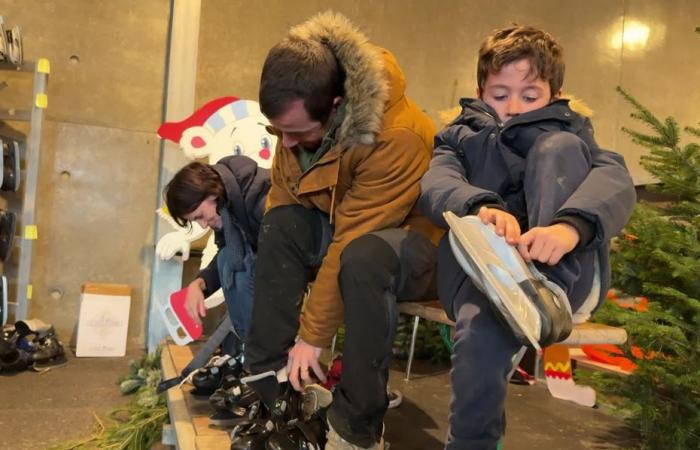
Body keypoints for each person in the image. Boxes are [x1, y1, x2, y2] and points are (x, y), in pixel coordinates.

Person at [419, 25, 636, 449]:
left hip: (562, 278)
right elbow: (437, 183)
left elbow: (615, 180)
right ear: (481, 91)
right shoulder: (459, 137)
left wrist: (569, 227)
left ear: (555, 95)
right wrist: (482, 206)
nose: (514, 107)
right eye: (500, 96)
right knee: (479, 335)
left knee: (558, 148)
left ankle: (543, 290)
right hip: (485, 274)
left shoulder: (575, 135)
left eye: (529, 96)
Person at [237, 11, 441, 450]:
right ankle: (274, 391)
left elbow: (353, 237)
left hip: (407, 248)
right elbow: (285, 200)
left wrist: (312, 337)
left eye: (295, 132)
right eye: (278, 131)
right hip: (348, 238)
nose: (285, 143)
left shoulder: (399, 133)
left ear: (336, 105)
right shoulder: (296, 116)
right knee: (281, 224)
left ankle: (357, 426)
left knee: (363, 258)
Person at [164, 155, 270, 344]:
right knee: (226, 259)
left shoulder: (262, 200)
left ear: (212, 194)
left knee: (241, 267)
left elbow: (286, 264)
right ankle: (250, 344)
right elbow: (226, 251)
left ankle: (262, 348)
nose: (204, 225)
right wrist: (199, 284)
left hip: (307, 263)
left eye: (200, 216)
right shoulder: (226, 209)